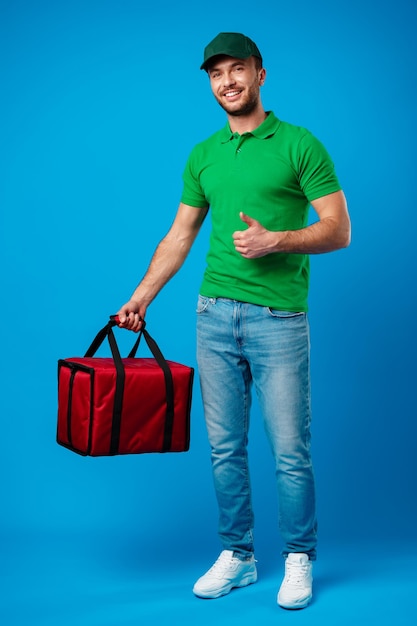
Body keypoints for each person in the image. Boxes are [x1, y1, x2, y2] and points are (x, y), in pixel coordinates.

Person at [117, 32, 351, 609]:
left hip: (279, 319)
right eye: (217, 73)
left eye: (237, 69)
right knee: (224, 447)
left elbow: (339, 230)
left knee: (290, 449)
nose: (227, 82)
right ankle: (239, 556)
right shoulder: (204, 154)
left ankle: (299, 558)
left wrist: (279, 239)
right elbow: (180, 236)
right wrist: (142, 296)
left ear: (260, 74)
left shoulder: (300, 145)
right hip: (214, 315)